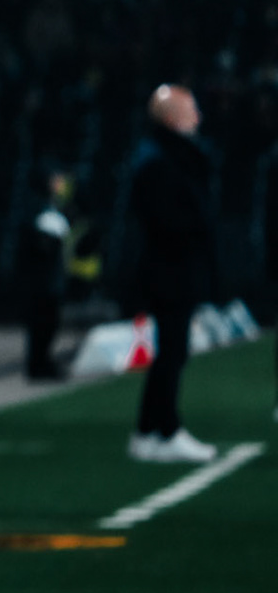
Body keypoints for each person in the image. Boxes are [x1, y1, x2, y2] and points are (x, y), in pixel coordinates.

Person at [126, 84, 219, 463]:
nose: (197, 116)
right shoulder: (159, 161)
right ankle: (165, 430)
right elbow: (171, 219)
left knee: (173, 351)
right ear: (171, 117)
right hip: (168, 269)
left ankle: (149, 430)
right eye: (190, 109)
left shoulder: (167, 156)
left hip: (172, 267)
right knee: (173, 351)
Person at [16, 172, 71, 380]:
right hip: (42, 283)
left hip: (47, 282)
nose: (61, 184)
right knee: (41, 325)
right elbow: (41, 248)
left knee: (48, 324)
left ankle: (42, 363)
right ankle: (38, 365)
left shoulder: (48, 208)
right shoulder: (39, 210)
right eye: (56, 180)